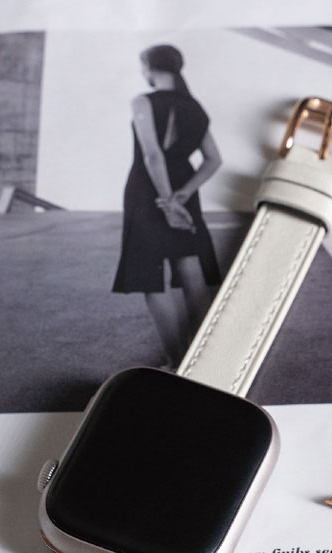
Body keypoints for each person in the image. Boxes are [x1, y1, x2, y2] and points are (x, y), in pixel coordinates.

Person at [112, 44, 223, 367]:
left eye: (142, 66)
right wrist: (183, 195)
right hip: (183, 188)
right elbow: (214, 160)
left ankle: (176, 363)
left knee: (151, 276)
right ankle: (202, 361)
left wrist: (167, 202)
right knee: (189, 269)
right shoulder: (195, 107)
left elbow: (152, 155)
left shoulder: (142, 101)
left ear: (149, 67)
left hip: (148, 190)